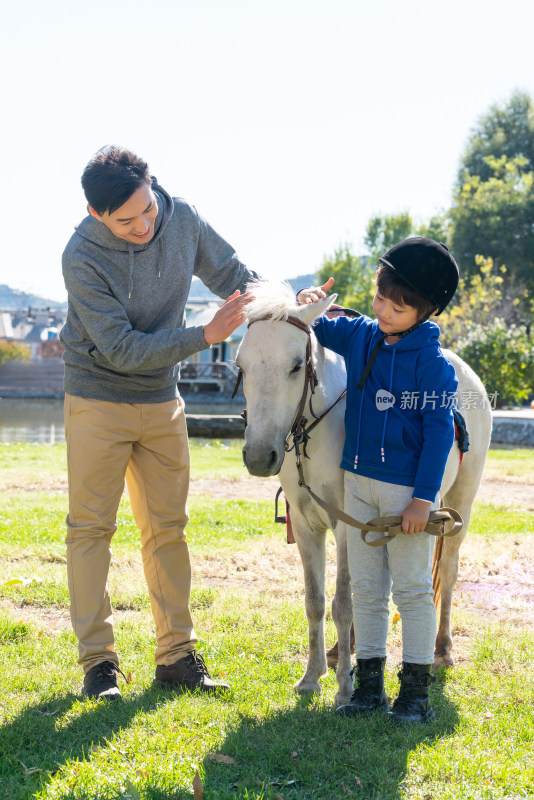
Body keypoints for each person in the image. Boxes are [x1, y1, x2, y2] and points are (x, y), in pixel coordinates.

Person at [61, 145, 259, 701]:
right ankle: (98, 665)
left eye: (148, 209)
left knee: (168, 529)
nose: (144, 225)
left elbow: (233, 276)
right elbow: (121, 349)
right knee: (91, 530)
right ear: (97, 215)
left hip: (161, 401)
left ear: (154, 186)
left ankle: (176, 656)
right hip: (98, 397)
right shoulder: (79, 256)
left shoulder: (184, 219)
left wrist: (287, 301)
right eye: (126, 220)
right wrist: (203, 337)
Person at [297, 238, 459, 724]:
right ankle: (369, 689)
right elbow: (321, 327)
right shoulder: (364, 336)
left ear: (425, 311)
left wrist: (422, 501)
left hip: (404, 492)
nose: (385, 311)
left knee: (410, 590)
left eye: (400, 306)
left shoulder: (432, 365)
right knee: (366, 589)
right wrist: (308, 301)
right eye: (382, 299)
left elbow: (439, 433)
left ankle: (415, 696)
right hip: (357, 484)